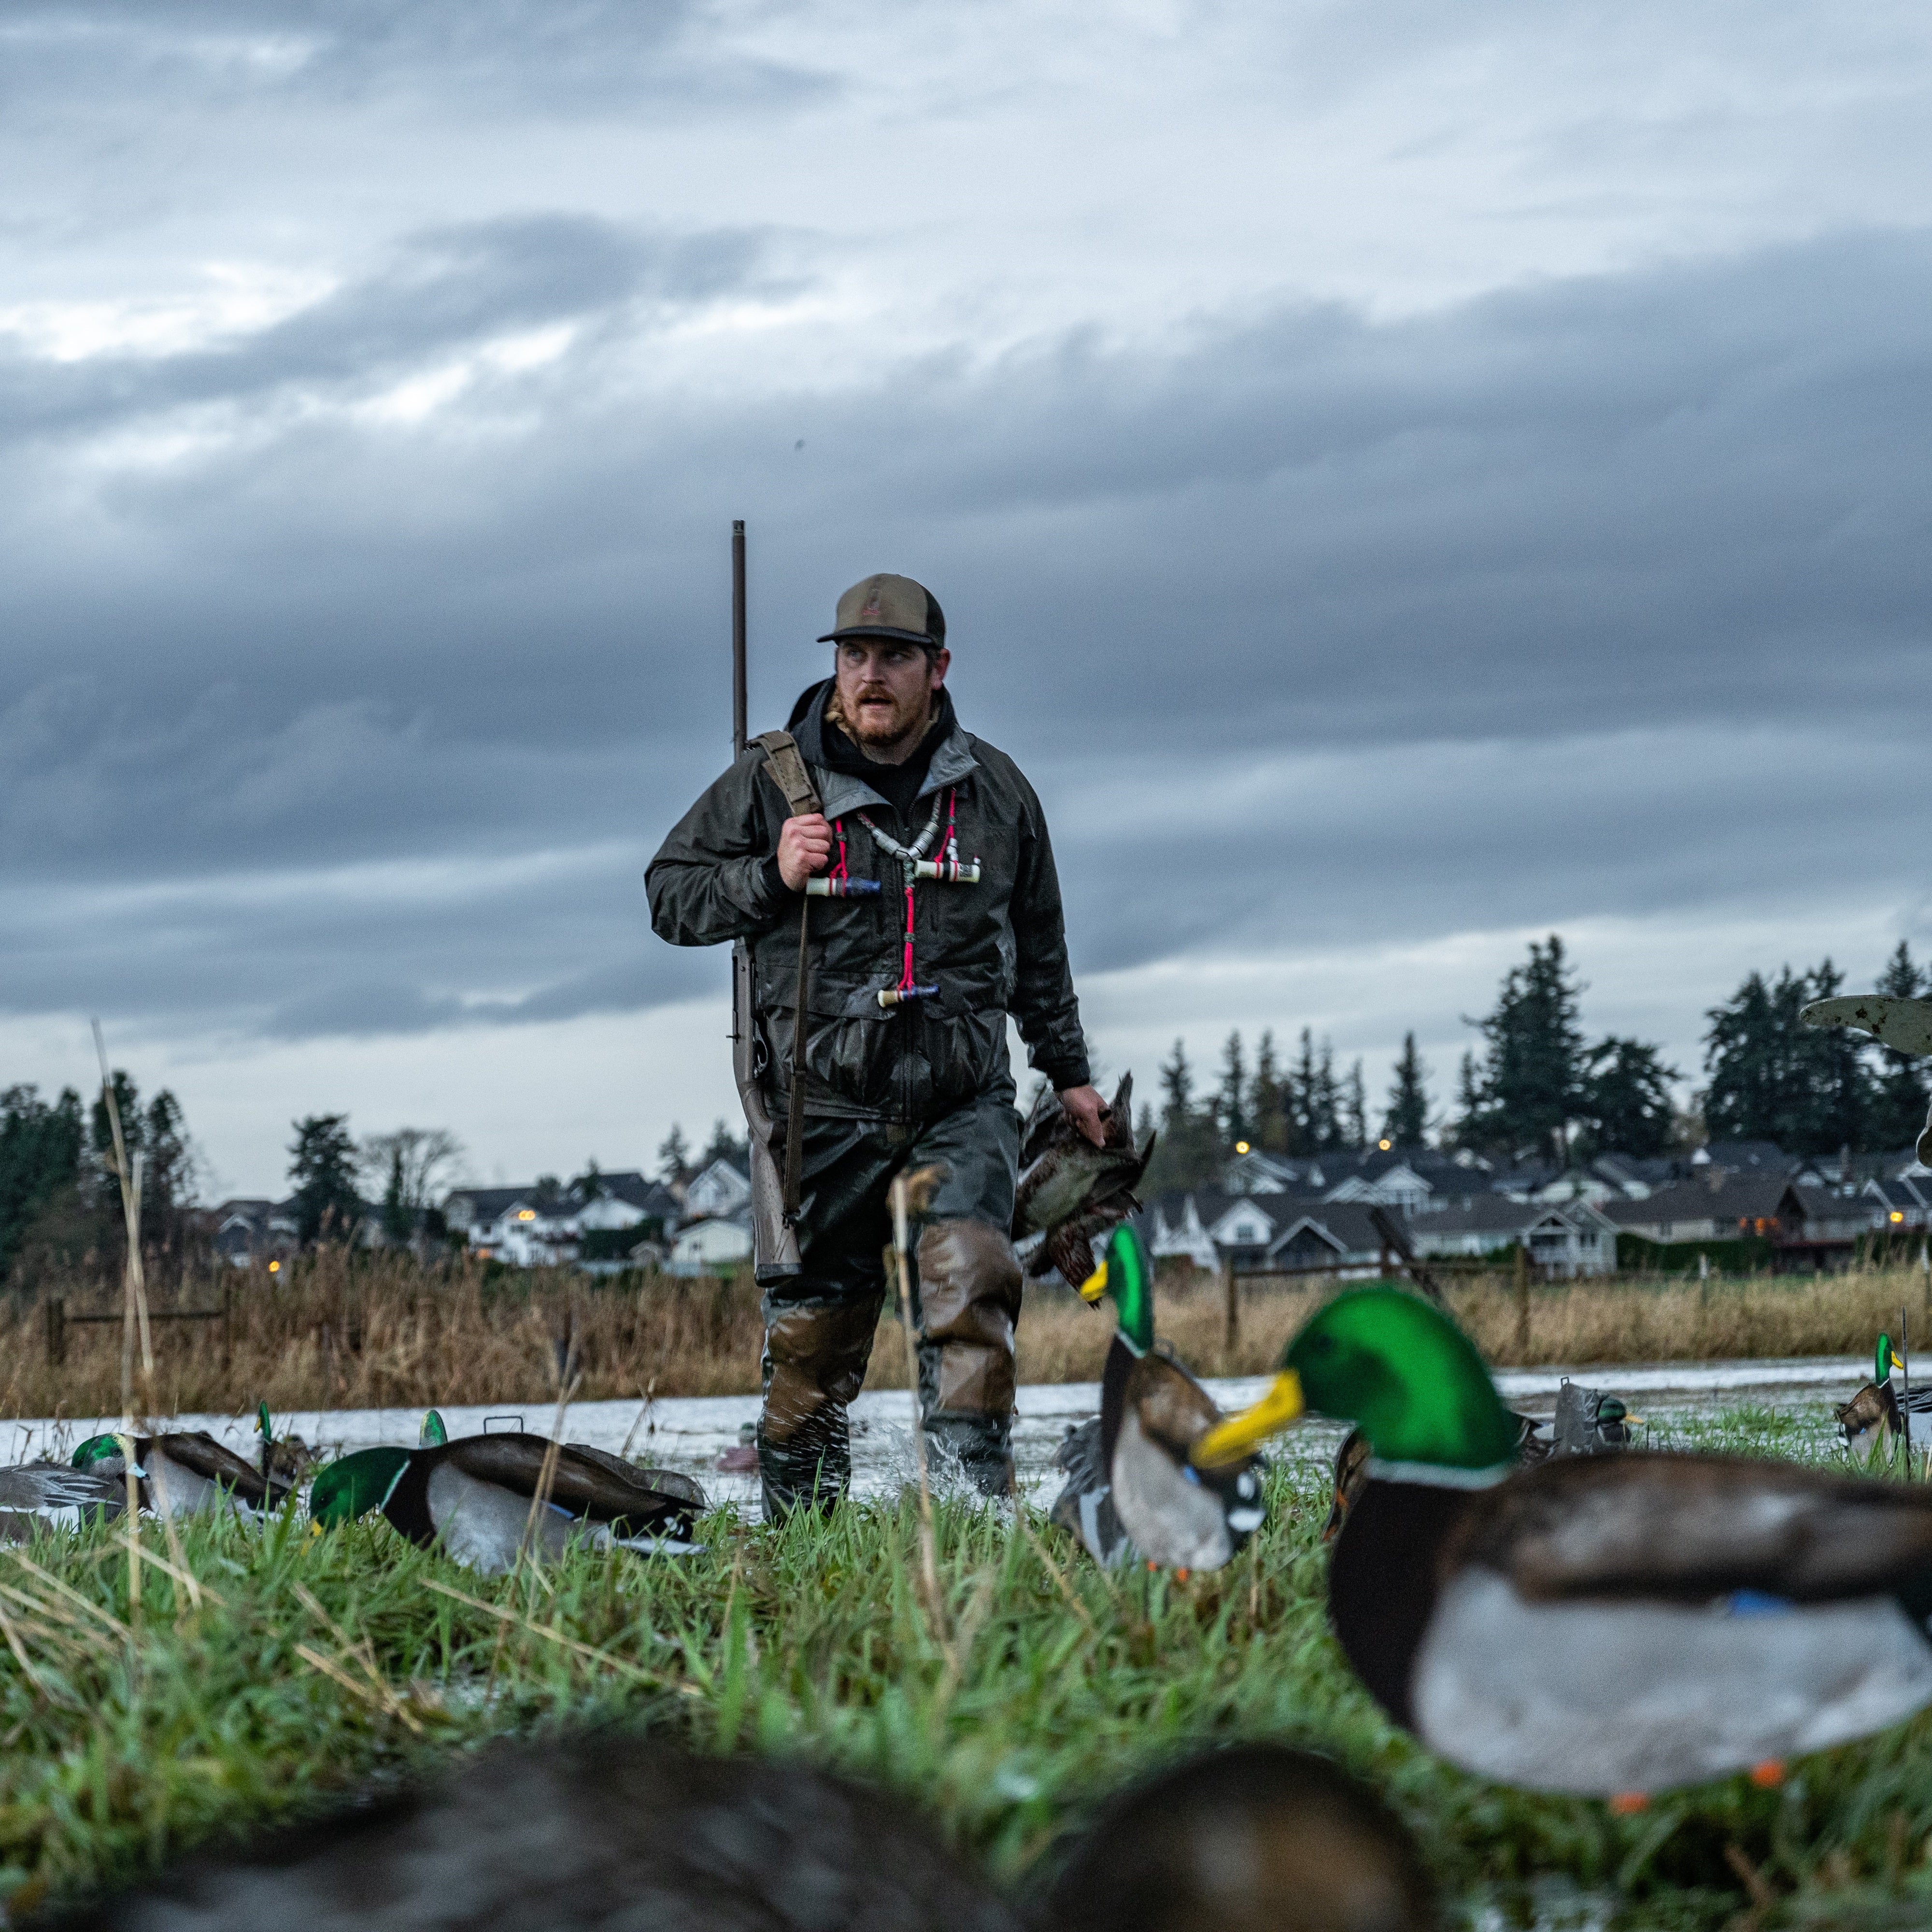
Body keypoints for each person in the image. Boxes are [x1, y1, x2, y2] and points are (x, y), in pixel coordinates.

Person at [647, 572, 1106, 1515]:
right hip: (820, 1107)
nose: (869, 674)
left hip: (961, 1099)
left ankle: (970, 1523)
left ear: (937, 668)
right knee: (812, 1348)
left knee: (971, 1292)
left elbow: (1040, 942)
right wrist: (769, 875)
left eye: (894, 656)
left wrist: (1068, 1074)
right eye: (853, 655)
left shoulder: (997, 791)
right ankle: (802, 1538)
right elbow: (668, 895)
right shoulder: (771, 781)